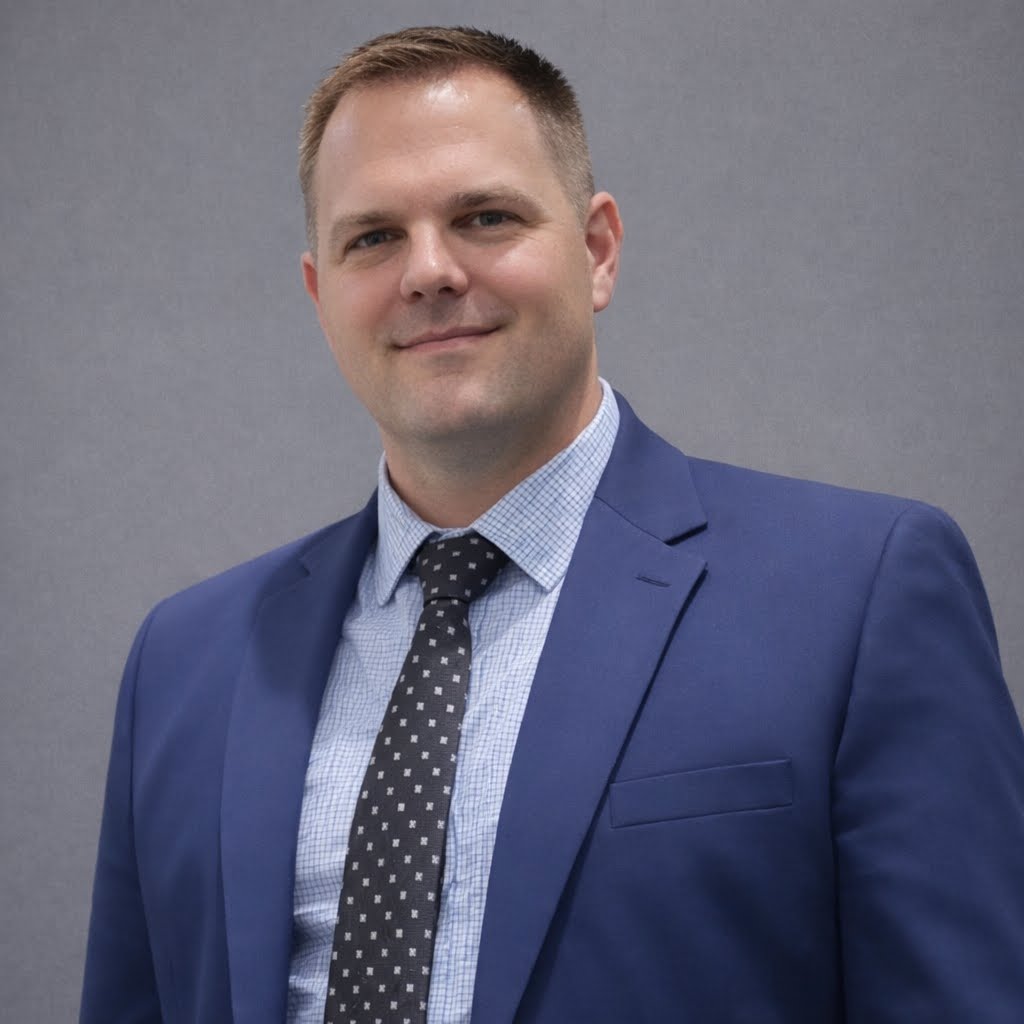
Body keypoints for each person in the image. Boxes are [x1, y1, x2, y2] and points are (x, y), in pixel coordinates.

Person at [80, 25, 1024, 1024]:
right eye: (373, 238)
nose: (428, 271)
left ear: (596, 249)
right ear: (321, 295)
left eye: (484, 217)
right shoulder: (186, 663)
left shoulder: (857, 596)